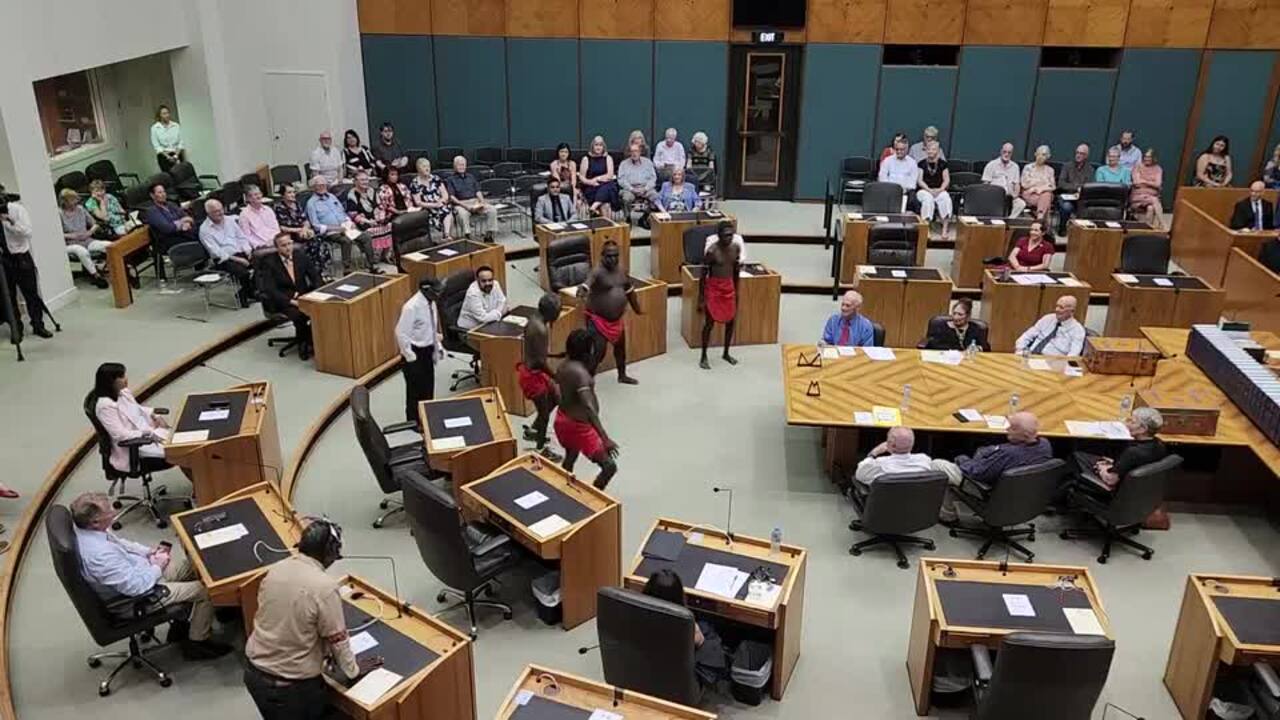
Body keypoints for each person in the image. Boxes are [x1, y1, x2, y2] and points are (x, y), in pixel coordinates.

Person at [244, 518, 382, 719]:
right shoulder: (324, 587)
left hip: (254, 676)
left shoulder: (276, 570)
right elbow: (339, 640)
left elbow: (284, 620)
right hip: (290, 690)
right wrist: (354, 671)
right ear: (330, 551)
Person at [70, 491, 230, 659]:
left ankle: (186, 623)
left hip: (141, 572)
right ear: (95, 522)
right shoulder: (99, 555)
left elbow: (121, 544)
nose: (114, 512)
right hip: (138, 597)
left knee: (194, 566)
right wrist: (158, 567)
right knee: (205, 590)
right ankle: (197, 642)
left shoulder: (90, 531)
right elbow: (135, 588)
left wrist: (149, 552)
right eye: (109, 510)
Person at [934, 412, 1053, 522]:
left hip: (989, 490)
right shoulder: (1044, 444)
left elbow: (976, 473)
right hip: (1023, 494)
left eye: (1012, 428)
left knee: (938, 465)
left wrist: (962, 459)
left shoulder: (1009, 454)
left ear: (1025, 434)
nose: (1007, 429)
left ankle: (947, 516)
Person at [554, 328, 619, 489]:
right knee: (609, 467)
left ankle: (562, 489)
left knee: (570, 456)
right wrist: (605, 438)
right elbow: (589, 408)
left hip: (562, 419)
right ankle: (594, 495)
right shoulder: (581, 375)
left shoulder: (563, 366)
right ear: (587, 351)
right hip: (579, 427)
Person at [642, 568, 727, 686]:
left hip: (644, 667)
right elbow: (699, 641)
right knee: (708, 631)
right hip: (676, 678)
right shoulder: (685, 626)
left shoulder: (632, 612)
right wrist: (696, 632)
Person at [91, 362, 171, 474]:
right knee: (185, 453)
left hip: (152, 435)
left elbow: (137, 409)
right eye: (122, 377)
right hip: (138, 446)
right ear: (111, 381)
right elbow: (121, 435)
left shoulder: (123, 392)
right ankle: (201, 487)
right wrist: (146, 433)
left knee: (188, 443)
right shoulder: (105, 406)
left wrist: (155, 415)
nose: (126, 378)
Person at [580, 241, 642, 384]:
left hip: (616, 321)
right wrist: (582, 290)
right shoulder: (597, 271)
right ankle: (586, 382)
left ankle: (622, 376)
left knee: (620, 350)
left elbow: (629, 290)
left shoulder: (621, 270)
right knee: (598, 353)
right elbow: (587, 283)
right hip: (598, 320)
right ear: (602, 256)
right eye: (609, 256)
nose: (613, 259)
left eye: (615, 256)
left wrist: (637, 308)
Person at [1072, 407, 1167, 495]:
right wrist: (1114, 464)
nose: (1127, 424)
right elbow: (1134, 464)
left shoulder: (1133, 452)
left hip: (1118, 492)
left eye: (1132, 422)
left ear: (1143, 429)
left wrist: (1101, 468)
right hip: (1138, 491)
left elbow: (1110, 480)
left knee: (1076, 456)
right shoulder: (1160, 445)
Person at [258, 233, 322, 361]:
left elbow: (315, 276)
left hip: (302, 294)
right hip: (282, 300)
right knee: (300, 315)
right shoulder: (269, 263)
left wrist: (320, 291)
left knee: (320, 308)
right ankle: (303, 344)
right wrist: (291, 301)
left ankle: (314, 339)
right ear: (277, 248)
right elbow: (270, 290)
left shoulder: (300, 256)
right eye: (283, 245)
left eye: (289, 244)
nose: (288, 248)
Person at [1, 186, 51, 340]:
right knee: (8, 296)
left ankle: (38, 325)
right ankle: (16, 327)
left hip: (21, 257)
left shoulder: (17, 210)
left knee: (31, 293)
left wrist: (10, 222)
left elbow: (27, 232)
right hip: (4, 259)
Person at [395, 278, 445, 424]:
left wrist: (438, 347)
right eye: (436, 291)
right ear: (426, 290)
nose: (439, 294)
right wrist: (410, 356)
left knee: (428, 386)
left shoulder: (432, 303)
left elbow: (431, 328)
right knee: (415, 390)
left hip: (428, 350)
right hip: (414, 352)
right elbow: (401, 333)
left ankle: (427, 418)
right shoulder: (411, 307)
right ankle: (414, 421)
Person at [518, 293, 563, 456]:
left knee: (556, 397)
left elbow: (537, 352)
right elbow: (539, 362)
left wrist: (554, 355)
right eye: (558, 311)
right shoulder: (540, 329)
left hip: (533, 371)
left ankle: (533, 430)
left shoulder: (535, 319)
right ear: (550, 312)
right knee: (544, 414)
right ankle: (540, 448)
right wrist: (556, 376)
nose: (560, 313)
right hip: (532, 376)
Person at [305, 175, 378, 274]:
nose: (323, 187)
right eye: (319, 185)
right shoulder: (311, 203)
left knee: (366, 237)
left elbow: (343, 212)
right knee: (346, 240)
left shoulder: (332, 197)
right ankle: (347, 269)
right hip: (330, 231)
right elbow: (316, 225)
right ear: (314, 187)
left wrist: (350, 222)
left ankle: (372, 265)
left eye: (324, 184)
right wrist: (337, 228)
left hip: (345, 227)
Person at [699, 221, 740, 369]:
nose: (728, 238)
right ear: (719, 236)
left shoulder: (736, 248)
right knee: (709, 324)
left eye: (731, 235)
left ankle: (726, 353)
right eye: (725, 235)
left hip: (728, 288)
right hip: (714, 288)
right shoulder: (712, 251)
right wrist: (701, 298)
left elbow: (736, 272)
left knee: (731, 321)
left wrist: (737, 291)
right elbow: (703, 276)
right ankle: (703, 355)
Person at [199, 199, 255, 307]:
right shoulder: (204, 230)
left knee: (263, 263)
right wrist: (239, 259)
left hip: (240, 252)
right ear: (208, 213)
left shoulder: (229, 220)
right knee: (243, 273)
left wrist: (248, 250)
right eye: (216, 211)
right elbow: (216, 252)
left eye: (221, 209)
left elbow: (241, 237)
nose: (220, 213)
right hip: (223, 259)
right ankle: (243, 295)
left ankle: (249, 291)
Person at [854, 426, 935, 492]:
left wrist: (874, 453)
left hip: (885, 507)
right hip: (917, 507)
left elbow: (859, 475)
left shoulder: (880, 465)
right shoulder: (924, 461)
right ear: (912, 444)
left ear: (890, 444)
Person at [59, 189, 110, 288]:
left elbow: (95, 224)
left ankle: (120, 269)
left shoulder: (81, 209)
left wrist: (90, 232)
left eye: (75, 199)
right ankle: (96, 276)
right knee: (82, 251)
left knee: (108, 246)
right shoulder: (59, 214)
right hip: (70, 243)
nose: (75, 202)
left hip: (87, 239)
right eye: (72, 200)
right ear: (65, 201)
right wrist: (72, 235)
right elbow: (56, 235)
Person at [445, 156, 499, 241]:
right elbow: (452, 197)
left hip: (474, 201)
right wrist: (465, 206)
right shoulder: (450, 180)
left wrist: (482, 202)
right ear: (454, 166)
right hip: (460, 204)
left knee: (492, 209)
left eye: (463, 165)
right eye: (459, 165)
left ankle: (489, 234)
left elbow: (478, 191)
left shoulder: (471, 177)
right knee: (463, 214)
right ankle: (468, 236)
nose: (462, 167)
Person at [1015, 295, 1086, 356]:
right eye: (1057, 306)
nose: (1057, 309)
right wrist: (1020, 349)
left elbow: (1073, 355)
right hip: (1030, 355)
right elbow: (1027, 335)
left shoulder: (1078, 330)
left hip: (1053, 363)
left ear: (1072, 311)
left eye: (1061, 307)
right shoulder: (1048, 318)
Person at [142, 182, 197, 256]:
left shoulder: (171, 204)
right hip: (169, 239)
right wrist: (182, 222)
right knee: (196, 237)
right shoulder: (152, 211)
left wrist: (186, 223)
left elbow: (187, 217)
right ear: (152, 195)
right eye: (160, 192)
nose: (163, 194)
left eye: (164, 191)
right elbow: (168, 228)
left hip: (183, 232)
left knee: (200, 229)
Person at [923, 298, 989, 351]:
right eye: (954, 313)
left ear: (968, 316)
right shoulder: (941, 327)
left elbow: (986, 347)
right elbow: (932, 345)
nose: (956, 317)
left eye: (960, 314)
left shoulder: (975, 329)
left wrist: (978, 348)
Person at [409, 157, 452, 237]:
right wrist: (434, 205)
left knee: (446, 209)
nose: (427, 169)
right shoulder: (415, 183)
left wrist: (441, 201)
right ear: (418, 169)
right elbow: (418, 203)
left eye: (428, 166)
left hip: (439, 205)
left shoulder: (436, 178)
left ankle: (447, 235)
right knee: (440, 210)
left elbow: (445, 194)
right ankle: (439, 237)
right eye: (424, 166)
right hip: (425, 208)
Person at [916, 141, 952, 237]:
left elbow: (946, 179)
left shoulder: (943, 164)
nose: (931, 151)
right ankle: (926, 228)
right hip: (924, 190)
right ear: (926, 150)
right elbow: (919, 180)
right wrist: (929, 190)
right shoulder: (921, 164)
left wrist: (940, 189)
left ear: (938, 151)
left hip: (939, 190)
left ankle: (944, 229)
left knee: (946, 198)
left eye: (933, 149)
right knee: (928, 199)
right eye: (929, 149)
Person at [457, 265, 507, 330]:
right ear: (478, 280)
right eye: (484, 281)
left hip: (488, 324)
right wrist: (500, 313)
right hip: (470, 329)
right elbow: (483, 318)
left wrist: (495, 314)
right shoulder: (473, 293)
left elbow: (502, 301)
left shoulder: (495, 284)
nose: (487, 283)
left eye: (490, 280)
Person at [1056, 144, 1092, 234]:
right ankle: (1062, 228)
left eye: (1082, 153)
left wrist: (1079, 189)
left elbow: (1090, 186)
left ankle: (1080, 232)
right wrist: (1078, 187)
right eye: (1077, 153)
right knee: (1067, 207)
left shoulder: (1090, 169)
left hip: (1081, 198)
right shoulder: (1067, 166)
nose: (1078, 155)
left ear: (1086, 156)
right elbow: (1061, 184)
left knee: (1088, 208)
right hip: (1066, 196)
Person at [580, 136, 620, 216]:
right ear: (592, 146)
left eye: (600, 145)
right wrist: (590, 182)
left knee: (609, 185)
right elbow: (581, 177)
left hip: (604, 185)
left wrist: (597, 178)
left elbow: (610, 175)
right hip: (591, 187)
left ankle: (594, 207)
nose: (598, 147)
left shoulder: (608, 158)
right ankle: (607, 226)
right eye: (596, 145)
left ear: (603, 147)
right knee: (605, 201)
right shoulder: (586, 159)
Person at [982, 143, 1025, 217]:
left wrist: (1015, 195)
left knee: (1021, 204)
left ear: (1012, 153)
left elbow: (1017, 184)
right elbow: (985, 183)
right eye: (1005, 152)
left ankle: (1009, 221)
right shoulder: (991, 165)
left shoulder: (1015, 167)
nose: (1006, 154)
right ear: (1001, 152)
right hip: (994, 196)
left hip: (1009, 196)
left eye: (1009, 152)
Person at [238, 185, 281, 253]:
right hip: (261, 247)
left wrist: (277, 240)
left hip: (276, 242)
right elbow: (246, 236)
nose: (258, 196)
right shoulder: (244, 215)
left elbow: (276, 228)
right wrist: (261, 245)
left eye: (259, 194)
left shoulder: (268, 209)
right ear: (248, 199)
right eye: (255, 195)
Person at [1129, 149, 1165, 229]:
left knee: (1151, 208)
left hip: (1151, 196)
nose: (1146, 159)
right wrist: (1151, 183)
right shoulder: (1138, 166)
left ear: (1154, 158)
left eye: (1149, 157)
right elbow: (1136, 182)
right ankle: (1163, 225)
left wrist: (1144, 181)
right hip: (1138, 196)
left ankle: (1147, 228)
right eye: (1145, 156)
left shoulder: (1158, 169)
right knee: (1155, 200)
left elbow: (1158, 184)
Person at [878, 137, 919, 206]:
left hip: (906, 192)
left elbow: (913, 183)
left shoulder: (912, 163)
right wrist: (892, 189)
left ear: (907, 150)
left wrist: (902, 190)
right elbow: (882, 177)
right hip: (889, 191)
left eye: (902, 149)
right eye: (897, 149)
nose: (899, 151)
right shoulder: (887, 160)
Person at [617, 143, 659, 207]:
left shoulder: (648, 162)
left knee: (655, 196)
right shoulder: (623, 164)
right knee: (626, 198)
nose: (634, 153)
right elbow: (621, 180)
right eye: (632, 151)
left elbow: (653, 178)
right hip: (629, 189)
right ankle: (628, 217)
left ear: (640, 152)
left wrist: (645, 189)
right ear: (629, 153)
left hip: (645, 189)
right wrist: (632, 189)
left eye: (636, 151)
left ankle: (648, 216)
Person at [1020, 145, 1056, 221]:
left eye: (1043, 155)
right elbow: (1024, 184)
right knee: (1047, 198)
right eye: (1039, 154)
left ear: (1048, 156)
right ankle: (1042, 221)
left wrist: (1041, 189)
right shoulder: (1028, 168)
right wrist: (1039, 186)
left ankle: (1039, 217)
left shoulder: (1050, 170)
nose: (1040, 156)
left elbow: (1053, 186)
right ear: (1035, 154)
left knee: (1046, 195)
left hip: (1043, 194)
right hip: (1030, 194)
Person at [150, 104, 184, 172]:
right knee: (168, 177)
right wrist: (168, 157)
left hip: (176, 154)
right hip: (164, 156)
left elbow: (181, 142)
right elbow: (157, 146)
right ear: (160, 115)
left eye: (168, 113)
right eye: (164, 114)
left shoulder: (176, 126)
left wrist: (175, 156)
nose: (167, 115)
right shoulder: (155, 128)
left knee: (180, 175)